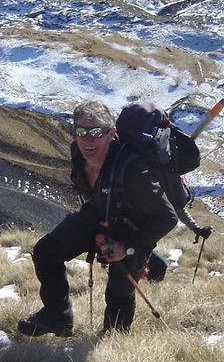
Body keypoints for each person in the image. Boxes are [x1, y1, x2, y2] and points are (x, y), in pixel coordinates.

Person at [18, 99, 178, 336]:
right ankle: (57, 316)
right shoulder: (78, 153)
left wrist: (129, 248)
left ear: (111, 134)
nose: (87, 140)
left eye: (96, 132)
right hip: (98, 215)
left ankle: (113, 342)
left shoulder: (133, 169)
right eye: (81, 132)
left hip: (133, 230)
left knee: (119, 292)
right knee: (46, 252)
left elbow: (167, 217)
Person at [144, 207, 213, 282]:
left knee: (159, 267)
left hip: (143, 242)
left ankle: (151, 289)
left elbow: (179, 209)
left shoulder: (167, 197)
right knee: (157, 266)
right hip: (135, 240)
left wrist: (197, 229)